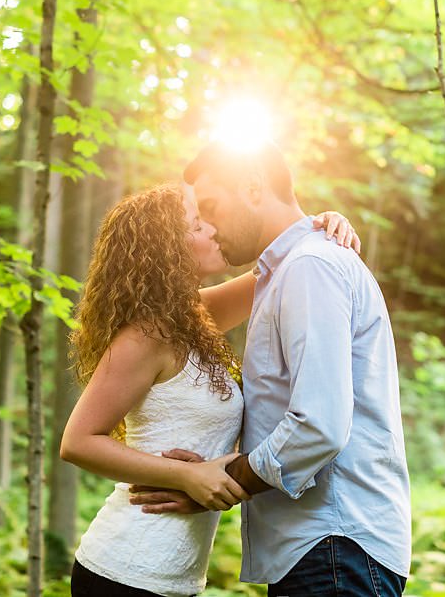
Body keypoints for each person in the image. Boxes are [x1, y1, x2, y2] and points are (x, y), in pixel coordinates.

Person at [130, 147, 411, 597]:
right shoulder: (285, 271)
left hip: (333, 544)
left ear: (254, 187)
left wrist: (225, 480)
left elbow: (318, 425)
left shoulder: (309, 266)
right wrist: (204, 476)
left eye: (212, 208)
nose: (210, 227)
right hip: (321, 549)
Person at [59, 183, 360, 597]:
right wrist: (186, 474)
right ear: (166, 248)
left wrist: (322, 224)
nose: (214, 229)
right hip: (125, 569)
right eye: (197, 224)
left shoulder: (193, 317)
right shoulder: (147, 335)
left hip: (174, 578)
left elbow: (283, 265)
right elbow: (78, 441)